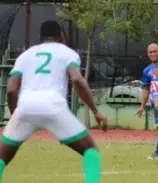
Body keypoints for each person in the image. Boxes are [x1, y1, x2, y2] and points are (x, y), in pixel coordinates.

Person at [0, 20, 108, 183]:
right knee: (90, 150)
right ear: (60, 37)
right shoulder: (67, 53)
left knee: (2, 158)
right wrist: (95, 111)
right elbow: (77, 80)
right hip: (54, 107)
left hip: (25, 107)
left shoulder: (26, 55)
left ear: (41, 37)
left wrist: (17, 113)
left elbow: (11, 89)